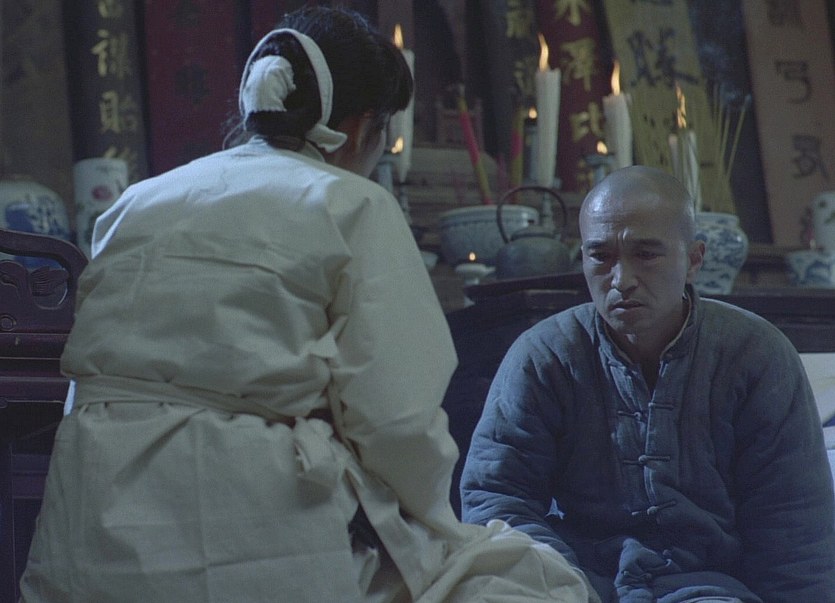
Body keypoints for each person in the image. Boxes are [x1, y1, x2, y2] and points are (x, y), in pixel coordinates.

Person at [20, 7, 594, 602]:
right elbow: (396, 424)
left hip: (84, 534)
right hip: (245, 531)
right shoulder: (350, 204)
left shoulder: (133, 203)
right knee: (533, 583)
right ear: (363, 126)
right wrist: (437, 523)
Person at [461, 165, 835, 602]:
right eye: (600, 256)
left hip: (707, 587)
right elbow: (496, 497)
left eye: (646, 254)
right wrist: (556, 579)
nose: (621, 280)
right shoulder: (545, 355)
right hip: (572, 581)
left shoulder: (755, 354)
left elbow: (793, 524)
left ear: (693, 259)